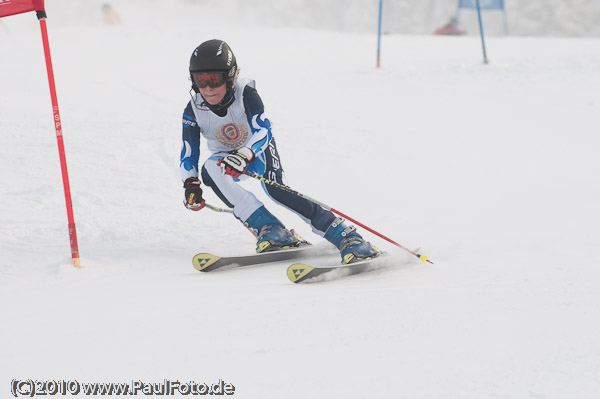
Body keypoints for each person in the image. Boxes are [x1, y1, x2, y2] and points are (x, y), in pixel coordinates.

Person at [180, 39, 380, 264]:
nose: (207, 88)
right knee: (209, 170)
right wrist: (190, 185)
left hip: (257, 150)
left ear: (230, 76)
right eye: (201, 80)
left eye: (214, 80)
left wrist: (245, 154)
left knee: (277, 190)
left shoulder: (245, 93)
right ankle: (270, 227)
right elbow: (189, 153)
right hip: (227, 160)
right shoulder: (193, 109)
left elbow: (263, 129)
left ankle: (347, 236)